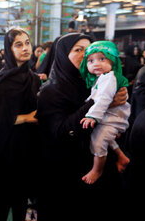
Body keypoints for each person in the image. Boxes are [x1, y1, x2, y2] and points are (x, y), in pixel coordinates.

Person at [36, 33, 128, 221]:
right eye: (78, 50)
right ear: (62, 56)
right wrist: (99, 103)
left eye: (89, 50)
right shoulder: (50, 92)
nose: (86, 55)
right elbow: (61, 133)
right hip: (66, 175)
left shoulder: (95, 83)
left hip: (95, 166)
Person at [0, 28, 41, 221]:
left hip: (27, 147)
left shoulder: (33, 78)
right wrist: (25, 117)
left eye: (27, 43)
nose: (25, 48)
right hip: (5, 148)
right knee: (5, 197)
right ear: (9, 49)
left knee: (21, 197)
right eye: (18, 44)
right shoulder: (1, 80)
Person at [79, 41, 131, 184]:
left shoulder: (108, 77)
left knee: (98, 141)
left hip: (114, 117)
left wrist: (92, 115)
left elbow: (103, 99)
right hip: (111, 116)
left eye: (102, 59)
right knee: (107, 138)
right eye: (90, 60)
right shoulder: (101, 78)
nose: (96, 63)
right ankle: (122, 157)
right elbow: (95, 96)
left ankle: (97, 170)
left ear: (112, 60)